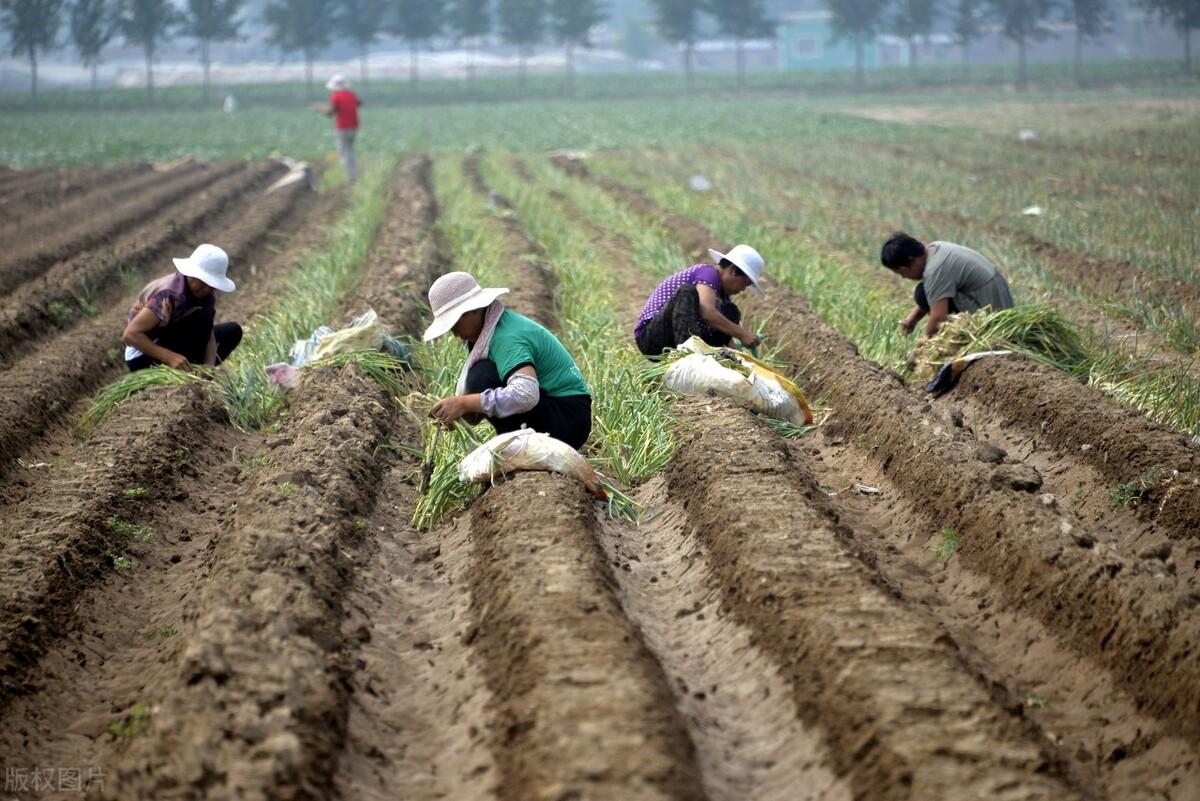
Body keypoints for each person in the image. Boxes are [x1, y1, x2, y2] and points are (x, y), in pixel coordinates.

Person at [424, 271, 592, 450]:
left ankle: (516, 444)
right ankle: (515, 442)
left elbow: (526, 394)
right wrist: (460, 412)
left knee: (481, 375)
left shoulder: (507, 338)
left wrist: (464, 403)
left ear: (474, 310)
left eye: (455, 323)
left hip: (566, 420)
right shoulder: (493, 330)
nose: (454, 332)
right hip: (561, 414)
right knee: (482, 375)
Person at [123, 244, 242, 372]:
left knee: (232, 331)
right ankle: (184, 368)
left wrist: (209, 366)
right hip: (144, 356)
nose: (207, 289)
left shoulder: (205, 296)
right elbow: (130, 335)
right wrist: (170, 357)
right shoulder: (168, 294)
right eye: (203, 283)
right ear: (191, 274)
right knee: (197, 318)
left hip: (175, 341)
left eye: (212, 285)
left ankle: (197, 371)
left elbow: (207, 332)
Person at [634, 244, 765, 357]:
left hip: (677, 339)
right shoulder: (707, 273)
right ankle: (689, 358)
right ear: (733, 271)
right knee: (687, 292)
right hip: (652, 337)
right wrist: (743, 334)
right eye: (745, 283)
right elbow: (707, 312)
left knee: (731, 312)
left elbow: (725, 337)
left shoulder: (722, 298)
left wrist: (740, 359)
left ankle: (700, 359)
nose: (743, 289)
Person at [881, 232, 1014, 339]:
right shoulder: (935, 248)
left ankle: (959, 337)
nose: (904, 277)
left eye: (902, 272)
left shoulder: (935, 270)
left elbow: (939, 317)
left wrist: (920, 349)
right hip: (992, 298)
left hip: (991, 312)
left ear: (912, 259)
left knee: (922, 294)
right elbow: (935, 293)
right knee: (925, 293)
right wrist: (912, 319)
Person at [315, 74, 361, 183]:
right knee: (349, 150)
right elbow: (359, 103)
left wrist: (320, 109)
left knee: (344, 151)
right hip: (354, 126)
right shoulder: (352, 94)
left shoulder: (336, 96)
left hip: (343, 127)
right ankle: (353, 173)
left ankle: (351, 177)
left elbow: (330, 113)